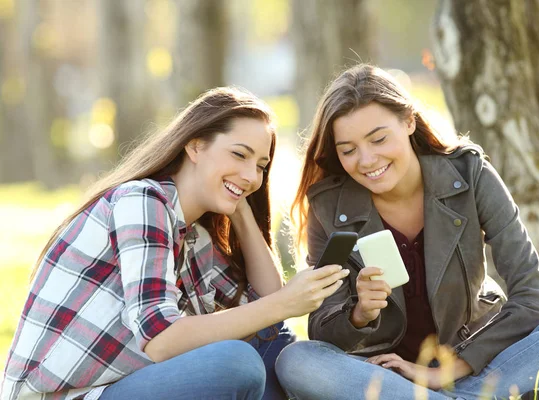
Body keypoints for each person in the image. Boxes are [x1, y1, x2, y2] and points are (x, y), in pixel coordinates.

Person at [275, 64, 539, 399]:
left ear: (409, 122)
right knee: (297, 360)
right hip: (387, 379)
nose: (367, 159)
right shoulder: (329, 207)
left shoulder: (470, 175)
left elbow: (532, 294)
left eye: (379, 139)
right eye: (348, 150)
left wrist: (449, 370)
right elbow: (323, 327)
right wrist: (359, 315)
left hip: (475, 362)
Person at [1, 87, 349, 400]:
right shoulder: (141, 201)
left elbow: (268, 315)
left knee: (272, 341)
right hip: (66, 395)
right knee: (237, 364)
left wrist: (241, 209)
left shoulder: (195, 236)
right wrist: (285, 303)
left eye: (260, 166)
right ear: (195, 145)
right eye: (239, 155)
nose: (251, 175)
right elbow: (162, 339)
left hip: (123, 385)